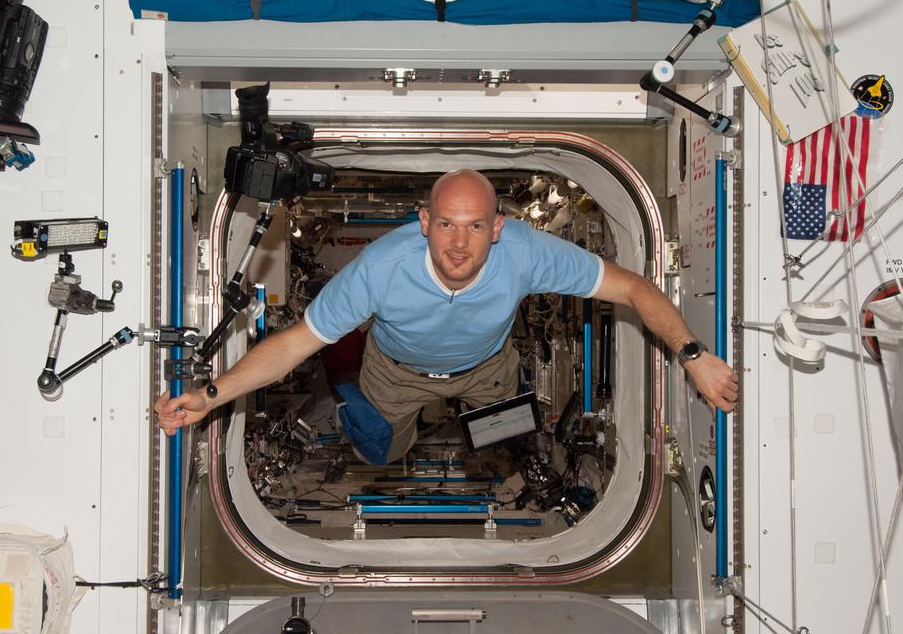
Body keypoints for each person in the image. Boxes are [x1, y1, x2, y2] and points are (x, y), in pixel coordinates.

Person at [156, 169, 737, 460]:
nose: (460, 244)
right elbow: (294, 345)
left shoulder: (526, 253)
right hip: (397, 371)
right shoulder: (379, 269)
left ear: (499, 227)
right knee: (381, 452)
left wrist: (694, 355)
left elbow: (634, 287)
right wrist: (211, 394)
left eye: (476, 226)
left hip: (487, 367)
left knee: (503, 439)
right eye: (447, 225)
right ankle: (396, 422)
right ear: (424, 221)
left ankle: (474, 435)